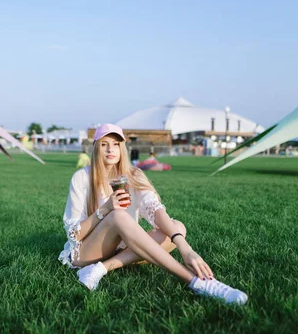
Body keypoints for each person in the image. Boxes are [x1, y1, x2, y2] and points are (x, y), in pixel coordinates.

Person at [58, 123, 247, 305]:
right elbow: (74, 234)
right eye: (104, 144)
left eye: (116, 144)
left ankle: (101, 269)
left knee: (177, 228)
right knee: (118, 216)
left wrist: (185, 248)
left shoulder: (133, 174)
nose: (110, 149)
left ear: (123, 148)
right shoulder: (82, 177)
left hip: (121, 247)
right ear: (96, 148)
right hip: (86, 252)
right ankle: (197, 282)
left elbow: (154, 209)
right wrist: (105, 209)